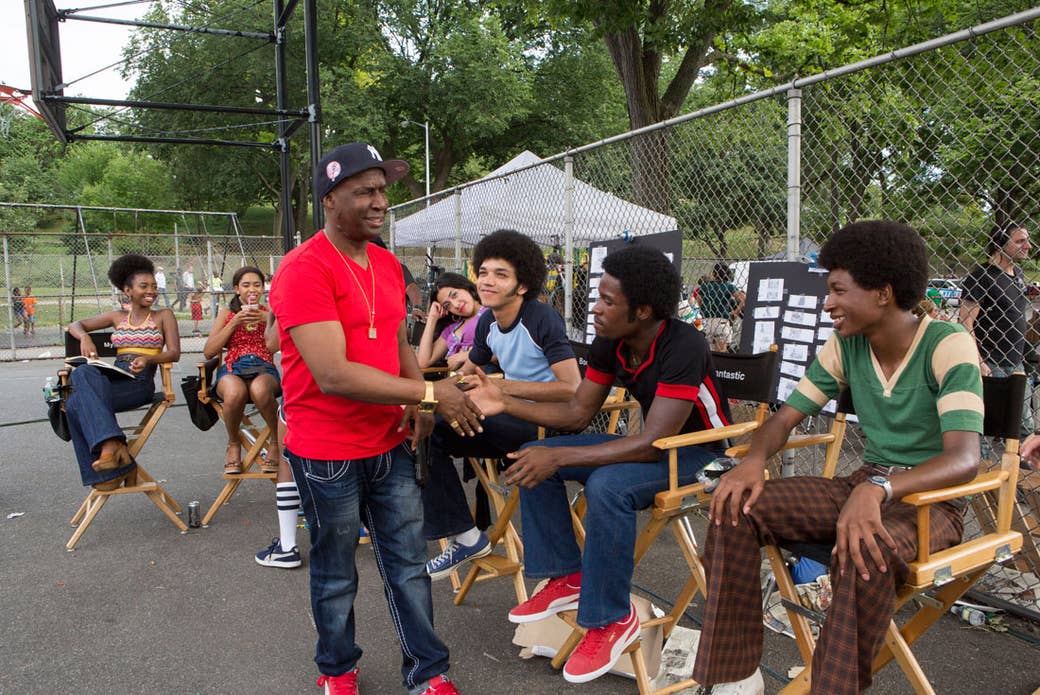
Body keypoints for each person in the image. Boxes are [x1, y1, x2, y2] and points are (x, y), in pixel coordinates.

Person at [691, 221, 983, 694]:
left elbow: (965, 458)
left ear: (884, 293)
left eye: (838, 290)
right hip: (865, 484)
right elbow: (785, 419)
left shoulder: (946, 343)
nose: (827, 303)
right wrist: (750, 461)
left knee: (864, 548)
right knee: (734, 506)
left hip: (932, 500)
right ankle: (733, 677)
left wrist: (881, 488)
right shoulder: (846, 346)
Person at [269, 141, 480, 695]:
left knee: (408, 564)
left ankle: (428, 673)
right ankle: (337, 669)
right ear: (330, 198)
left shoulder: (385, 262)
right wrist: (432, 395)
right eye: (366, 190)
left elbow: (397, 341)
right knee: (336, 570)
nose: (380, 200)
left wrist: (416, 402)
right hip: (326, 452)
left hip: (389, 444)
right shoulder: (302, 270)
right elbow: (333, 374)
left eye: (383, 189)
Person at [466, 244, 730, 683]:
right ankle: (567, 576)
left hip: (704, 452)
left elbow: (651, 442)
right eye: (598, 297)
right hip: (657, 446)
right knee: (535, 454)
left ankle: (611, 618)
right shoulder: (612, 341)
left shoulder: (684, 344)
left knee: (607, 485)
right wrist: (504, 399)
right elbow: (576, 413)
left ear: (643, 310)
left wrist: (560, 455)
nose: (596, 308)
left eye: (608, 301)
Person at [421, 229, 580, 581]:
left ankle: (460, 534)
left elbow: (571, 387)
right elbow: (471, 372)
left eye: (500, 275)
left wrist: (502, 388)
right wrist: (437, 392)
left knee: (433, 425)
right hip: (507, 416)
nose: (487, 281)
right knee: (424, 424)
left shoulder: (541, 319)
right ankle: (466, 535)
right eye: (484, 272)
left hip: (543, 425)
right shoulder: (489, 322)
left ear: (522, 285)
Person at [64, 254, 181, 490]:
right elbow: (75, 325)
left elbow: (174, 353)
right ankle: (114, 450)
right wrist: (85, 337)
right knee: (81, 375)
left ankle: (111, 458)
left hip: (139, 382)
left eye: (154, 287)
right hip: (114, 377)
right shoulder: (116, 317)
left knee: (75, 402)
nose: (151, 291)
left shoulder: (163, 315)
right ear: (127, 290)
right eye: (144, 286)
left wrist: (149, 359)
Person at [203, 266, 281, 476]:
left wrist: (269, 321)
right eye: (246, 285)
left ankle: (275, 441)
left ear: (263, 288)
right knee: (235, 392)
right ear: (237, 289)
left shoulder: (271, 313)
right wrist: (234, 323)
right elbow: (209, 351)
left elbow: (280, 344)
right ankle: (233, 443)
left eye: (257, 285)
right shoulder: (227, 314)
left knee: (260, 390)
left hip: (263, 366)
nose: (252, 290)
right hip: (233, 368)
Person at [960, 222, 1033, 435]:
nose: (1027, 245)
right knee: (986, 427)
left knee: (1025, 427)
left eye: (1027, 240)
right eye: (1020, 241)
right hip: (991, 363)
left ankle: (1024, 465)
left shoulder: (1017, 273)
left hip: (1016, 362)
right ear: (1000, 244)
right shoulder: (982, 276)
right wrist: (979, 361)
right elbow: (965, 323)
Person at [416, 272, 487, 371]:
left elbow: (503, 350)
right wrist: (432, 318)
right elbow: (423, 362)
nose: (456, 305)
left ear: (464, 286)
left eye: (454, 295)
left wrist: (466, 356)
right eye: (447, 305)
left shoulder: (490, 313)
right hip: (455, 383)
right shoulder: (451, 329)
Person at [699, 263, 744, 352]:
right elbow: (743, 299)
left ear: (713, 274)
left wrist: (701, 311)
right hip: (722, 322)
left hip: (706, 322)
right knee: (721, 353)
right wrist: (735, 312)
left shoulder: (706, 285)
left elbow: (697, 301)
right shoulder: (729, 286)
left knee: (708, 352)